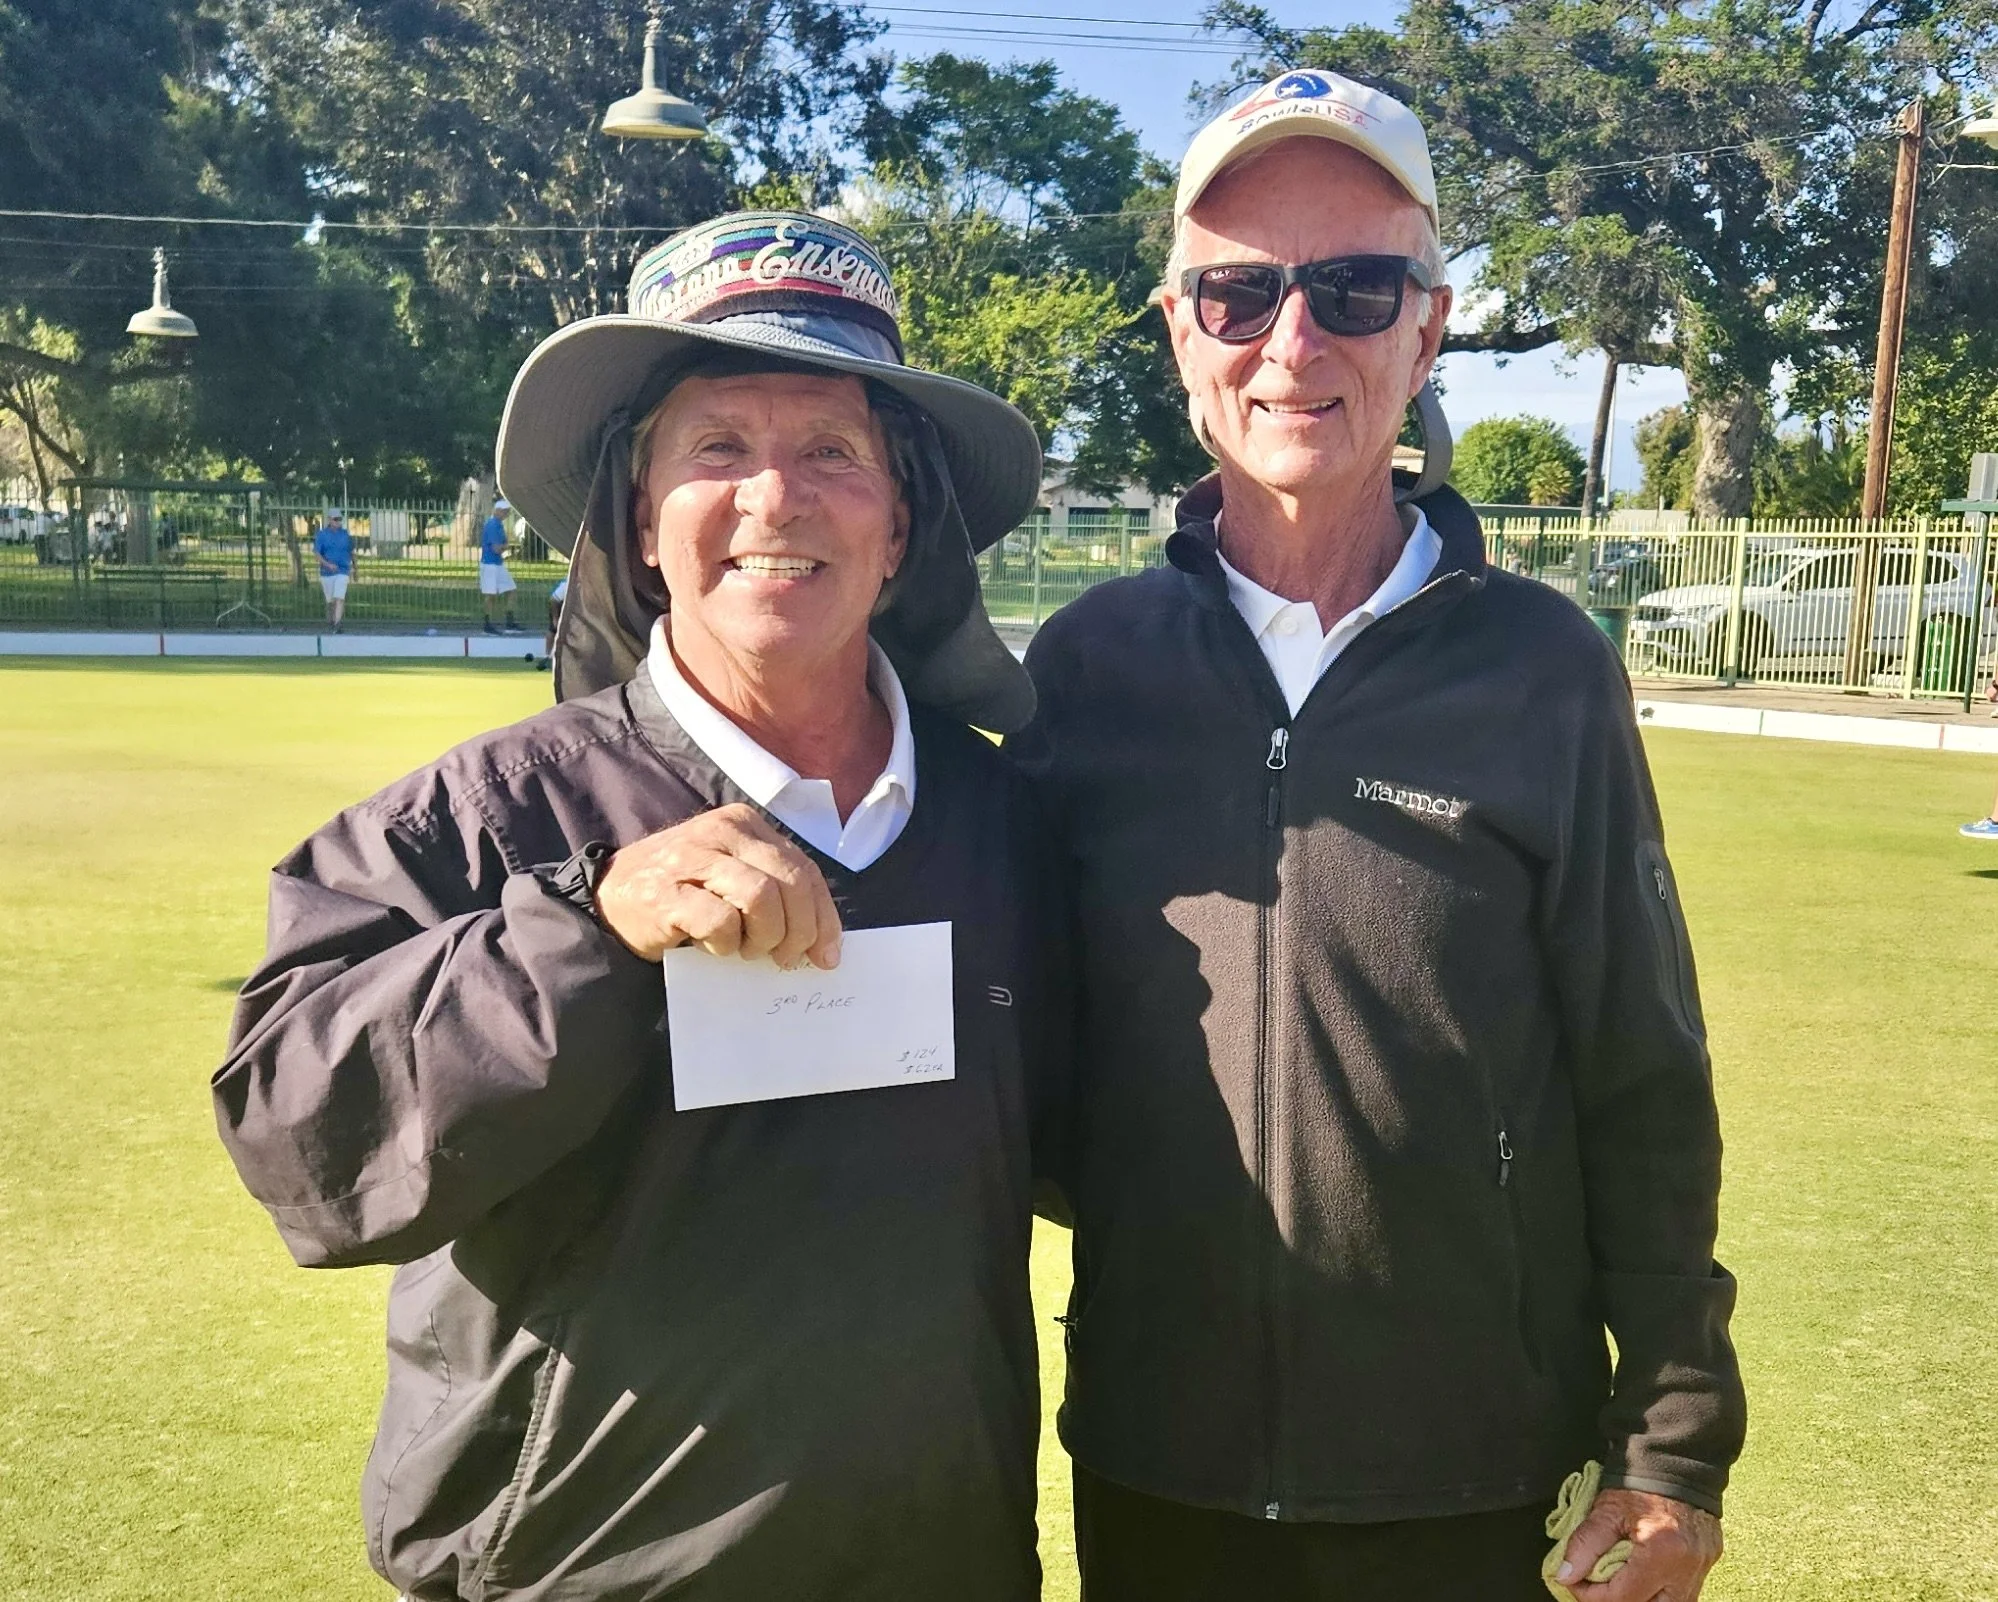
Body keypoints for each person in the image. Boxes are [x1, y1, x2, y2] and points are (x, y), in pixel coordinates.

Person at [212, 209, 1064, 1601]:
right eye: (716, 447)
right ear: (640, 523)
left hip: (945, 1560)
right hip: (582, 1571)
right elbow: (298, 1140)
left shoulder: (1009, 823)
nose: (775, 497)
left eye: (834, 452)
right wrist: (583, 927)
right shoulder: (479, 820)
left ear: (900, 525)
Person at [1009, 71, 1745, 1600]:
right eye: (1237, 293)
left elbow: (1641, 1071)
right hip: (1157, 1461)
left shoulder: (1543, 666)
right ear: (1177, 329)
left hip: (1471, 1471)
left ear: (1427, 326)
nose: (1292, 342)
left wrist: (1672, 1440)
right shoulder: (1083, 669)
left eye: (1352, 289)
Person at [480, 494, 519, 633]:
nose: (506, 514)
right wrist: (505, 546)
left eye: (507, 512)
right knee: (490, 595)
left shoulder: (499, 525)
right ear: (497, 511)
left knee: (511, 590)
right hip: (489, 564)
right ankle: (487, 624)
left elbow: (503, 544)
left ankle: (509, 621)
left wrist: (503, 546)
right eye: (505, 512)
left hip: (498, 564)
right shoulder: (492, 525)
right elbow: (497, 548)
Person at [313, 507, 354, 631]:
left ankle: (337, 623)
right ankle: (331, 620)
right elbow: (317, 554)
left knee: (339, 598)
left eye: (340, 519)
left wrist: (355, 568)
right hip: (327, 572)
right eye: (336, 519)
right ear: (330, 520)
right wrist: (327, 564)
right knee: (331, 600)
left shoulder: (345, 534)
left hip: (343, 570)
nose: (338, 521)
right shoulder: (322, 535)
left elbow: (351, 552)